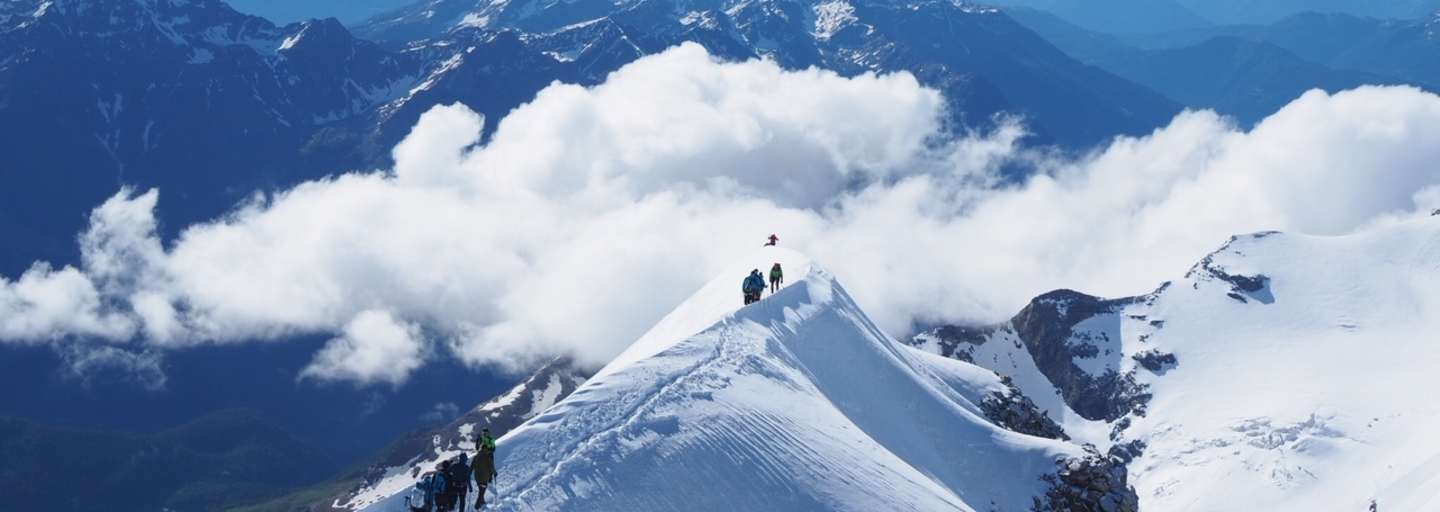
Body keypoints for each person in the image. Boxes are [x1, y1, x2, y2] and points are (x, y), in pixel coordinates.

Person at [473, 432, 499, 510]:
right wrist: (494, 473)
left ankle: (482, 503)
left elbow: (477, 449)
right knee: (482, 491)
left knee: (481, 490)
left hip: (478, 476)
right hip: (484, 476)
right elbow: (491, 465)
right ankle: (477, 507)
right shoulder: (488, 453)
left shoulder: (478, 454)